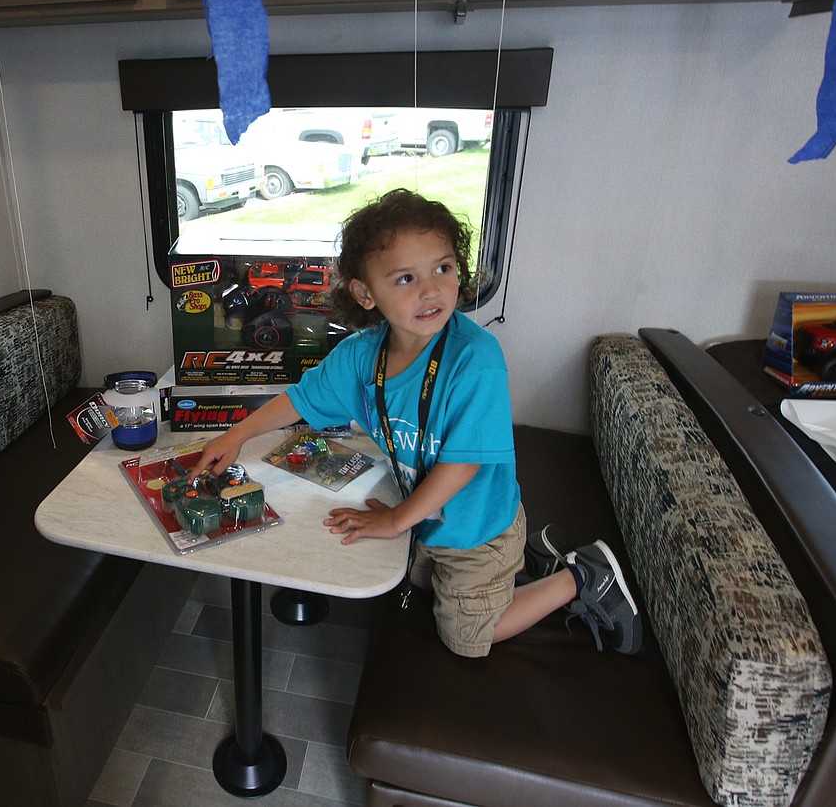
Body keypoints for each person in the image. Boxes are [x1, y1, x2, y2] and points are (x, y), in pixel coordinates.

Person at [194, 188, 641, 656]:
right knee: (420, 583)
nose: (431, 291)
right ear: (365, 294)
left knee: (466, 637)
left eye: (443, 269)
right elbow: (302, 400)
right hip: (430, 518)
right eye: (405, 278)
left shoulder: (476, 360)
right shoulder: (361, 355)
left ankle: (582, 576)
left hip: (477, 529)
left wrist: (394, 523)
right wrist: (237, 434)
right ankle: (534, 560)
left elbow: (461, 467)